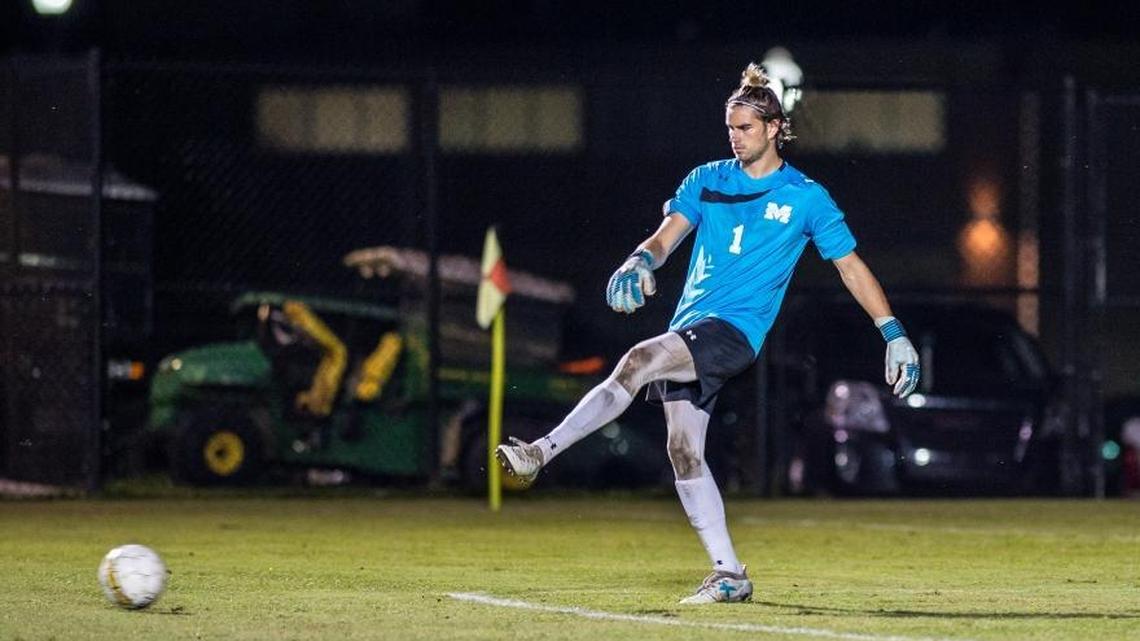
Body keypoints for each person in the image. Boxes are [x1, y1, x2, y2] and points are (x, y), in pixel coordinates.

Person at [495, 62, 921, 604]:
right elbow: (666, 237)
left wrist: (893, 332)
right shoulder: (706, 179)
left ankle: (540, 452)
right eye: (730, 129)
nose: (735, 137)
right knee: (683, 450)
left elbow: (851, 267)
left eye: (745, 128)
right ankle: (729, 574)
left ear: (773, 128)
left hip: (735, 332)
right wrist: (638, 261)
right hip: (691, 327)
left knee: (637, 360)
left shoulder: (807, 196)